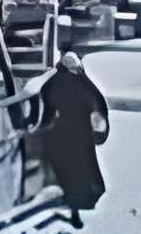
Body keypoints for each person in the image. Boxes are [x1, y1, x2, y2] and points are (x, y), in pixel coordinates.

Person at [37, 51, 108, 211]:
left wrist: (44, 126)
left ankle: (73, 196)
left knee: (69, 167)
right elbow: (98, 104)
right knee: (84, 164)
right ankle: (86, 197)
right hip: (81, 132)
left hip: (61, 132)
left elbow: (47, 111)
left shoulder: (52, 82)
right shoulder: (84, 83)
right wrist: (99, 132)